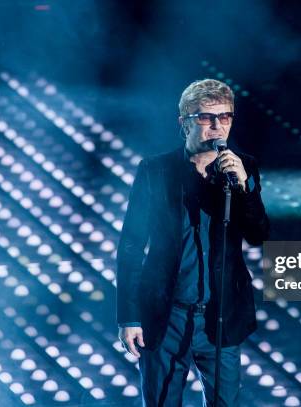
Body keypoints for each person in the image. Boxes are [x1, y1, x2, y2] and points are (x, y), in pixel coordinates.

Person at [116, 78, 270, 406]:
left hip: (221, 316)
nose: (216, 126)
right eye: (205, 117)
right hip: (166, 314)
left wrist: (244, 187)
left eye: (225, 117)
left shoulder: (244, 168)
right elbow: (130, 245)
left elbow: (258, 234)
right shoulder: (155, 171)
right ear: (184, 123)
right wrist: (128, 316)